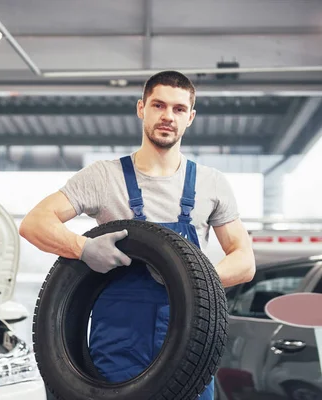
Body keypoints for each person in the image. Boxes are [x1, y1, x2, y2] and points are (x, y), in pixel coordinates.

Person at [18, 70, 256, 399]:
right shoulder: (103, 177)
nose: (168, 116)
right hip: (117, 346)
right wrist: (83, 247)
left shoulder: (211, 183)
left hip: (191, 346)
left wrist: (190, 278)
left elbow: (244, 261)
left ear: (191, 117)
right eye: (159, 105)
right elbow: (34, 222)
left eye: (178, 109)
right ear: (141, 108)